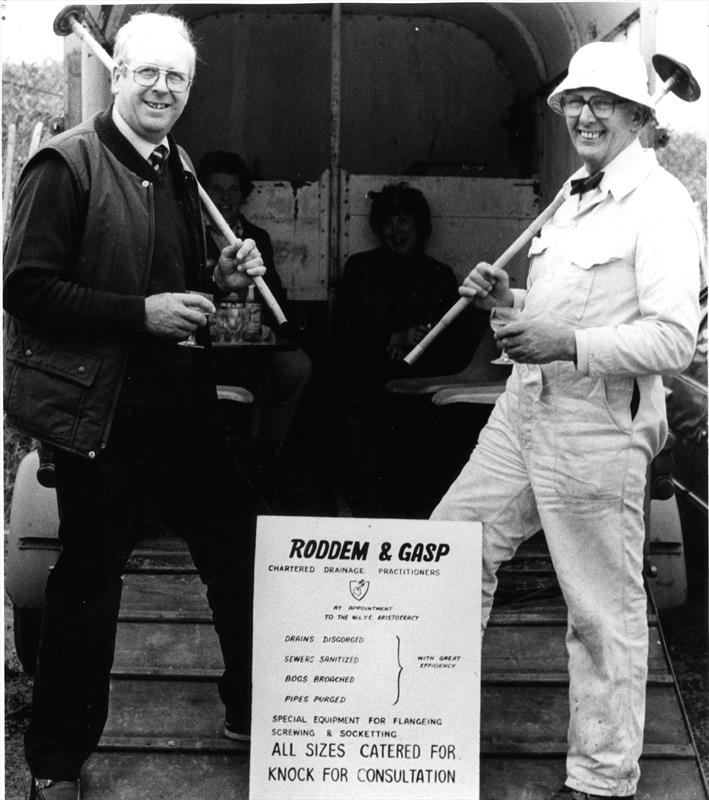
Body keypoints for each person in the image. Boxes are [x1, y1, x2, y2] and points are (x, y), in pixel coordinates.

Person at [3, 14, 267, 800]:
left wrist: (219, 276)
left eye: (176, 78)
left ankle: (248, 710)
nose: (161, 88)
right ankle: (54, 762)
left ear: (189, 90)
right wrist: (138, 313)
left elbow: (176, 276)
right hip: (100, 411)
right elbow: (24, 289)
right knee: (89, 582)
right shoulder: (65, 164)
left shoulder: (176, 165)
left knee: (238, 550)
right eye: (146, 73)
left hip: (179, 405)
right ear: (115, 75)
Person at [430, 42, 702, 800]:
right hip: (523, 405)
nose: (583, 114)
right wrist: (506, 304)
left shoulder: (661, 207)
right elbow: (556, 313)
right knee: (449, 551)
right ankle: (417, 733)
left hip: (598, 424)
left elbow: (673, 339)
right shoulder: (572, 193)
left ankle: (599, 780)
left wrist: (567, 343)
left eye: (603, 103)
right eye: (574, 101)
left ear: (639, 117)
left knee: (597, 609)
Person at [332, 182, 485, 515]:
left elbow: (456, 343)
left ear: (420, 225)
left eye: (403, 221)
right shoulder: (361, 268)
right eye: (387, 223)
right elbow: (343, 334)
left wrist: (422, 342)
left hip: (421, 380)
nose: (394, 231)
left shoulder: (439, 275)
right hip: (370, 377)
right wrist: (392, 339)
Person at [198, 151, 312, 462]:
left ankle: (267, 450)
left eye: (233, 189)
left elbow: (272, 293)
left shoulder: (257, 237)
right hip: (205, 341)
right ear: (203, 194)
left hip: (249, 337)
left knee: (296, 367)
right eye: (216, 189)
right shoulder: (190, 235)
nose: (225, 198)